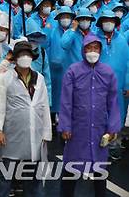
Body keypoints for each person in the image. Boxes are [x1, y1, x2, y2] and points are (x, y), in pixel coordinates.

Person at [58, 34, 121, 197]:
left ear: (100, 50)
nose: (92, 52)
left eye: (96, 48)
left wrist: (113, 127)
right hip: (77, 129)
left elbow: (113, 102)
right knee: (71, 170)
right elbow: (66, 101)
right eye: (89, 48)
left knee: (100, 173)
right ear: (83, 50)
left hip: (100, 130)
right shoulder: (73, 71)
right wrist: (65, 126)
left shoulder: (107, 72)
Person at [0, 40, 51, 197]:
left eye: (28, 55)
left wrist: (46, 132)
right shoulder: (5, 78)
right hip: (11, 133)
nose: (25, 58)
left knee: (32, 176)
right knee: (6, 174)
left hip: (34, 134)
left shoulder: (39, 78)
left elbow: (44, 105)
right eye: (21, 55)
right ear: (15, 58)